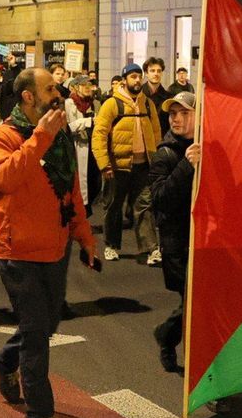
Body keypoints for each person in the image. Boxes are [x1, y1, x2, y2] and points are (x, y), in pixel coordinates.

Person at [0, 67, 98, 418]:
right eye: (50, 88)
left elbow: (71, 190)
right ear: (28, 97)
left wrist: (84, 237)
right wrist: (41, 137)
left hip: (56, 247)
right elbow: (4, 179)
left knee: (46, 325)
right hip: (17, 252)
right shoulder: (3, 136)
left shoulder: (60, 134)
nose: (58, 92)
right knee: (36, 335)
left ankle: (4, 358)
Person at [148, 91, 201, 373]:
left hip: (205, 239)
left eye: (184, 113)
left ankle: (166, 333)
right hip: (178, 243)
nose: (177, 119)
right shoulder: (165, 153)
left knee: (196, 305)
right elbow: (159, 199)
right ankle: (200, 372)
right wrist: (186, 166)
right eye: (172, 114)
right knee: (196, 307)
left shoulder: (208, 145)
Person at [91, 63, 162, 264]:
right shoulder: (112, 104)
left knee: (144, 206)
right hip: (117, 167)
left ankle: (152, 249)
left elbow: (156, 132)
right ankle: (111, 246)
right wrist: (104, 164)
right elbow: (99, 135)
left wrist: (155, 159)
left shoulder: (147, 104)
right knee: (113, 207)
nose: (137, 80)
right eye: (133, 76)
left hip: (143, 166)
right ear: (124, 80)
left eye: (139, 76)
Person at [64, 75, 100, 214]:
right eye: (83, 85)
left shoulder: (95, 104)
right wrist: (87, 122)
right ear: (76, 87)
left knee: (93, 182)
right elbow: (68, 127)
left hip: (93, 147)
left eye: (89, 85)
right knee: (78, 182)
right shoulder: (69, 103)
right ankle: (80, 215)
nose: (87, 87)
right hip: (76, 147)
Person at [142, 57, 171, 136]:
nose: (156, 74)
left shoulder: (168, 98)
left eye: (159, 71)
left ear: (162, 73)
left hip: (161, 140)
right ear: (146, 73)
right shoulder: (138, 95)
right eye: (152, 71)